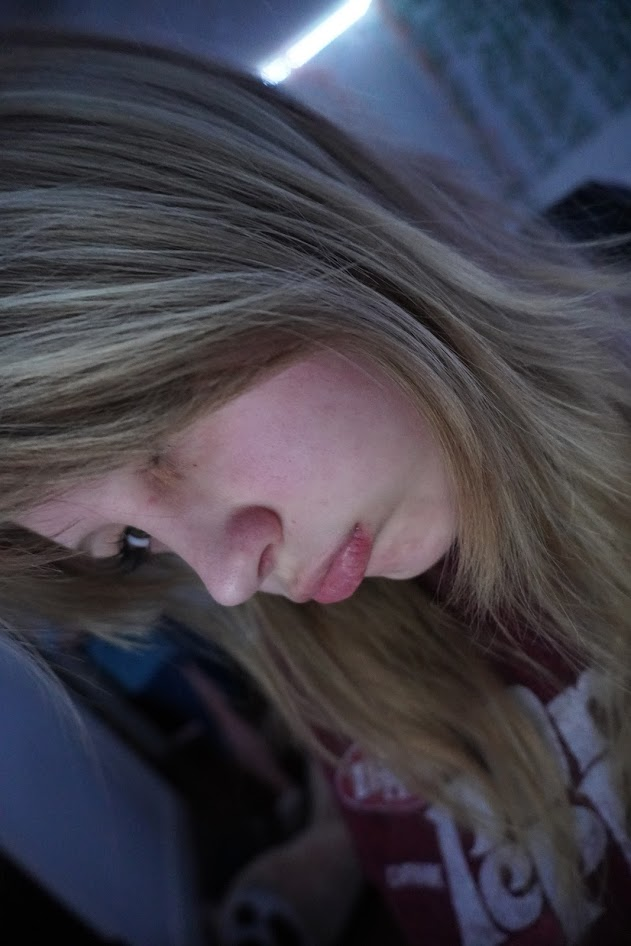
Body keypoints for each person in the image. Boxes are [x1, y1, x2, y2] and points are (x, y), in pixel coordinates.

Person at [1, 30, 630, 946]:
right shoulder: (329, 643)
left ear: (286, 224)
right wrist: (329, 852)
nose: (227, 579)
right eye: (130, 544)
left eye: (157, 435)